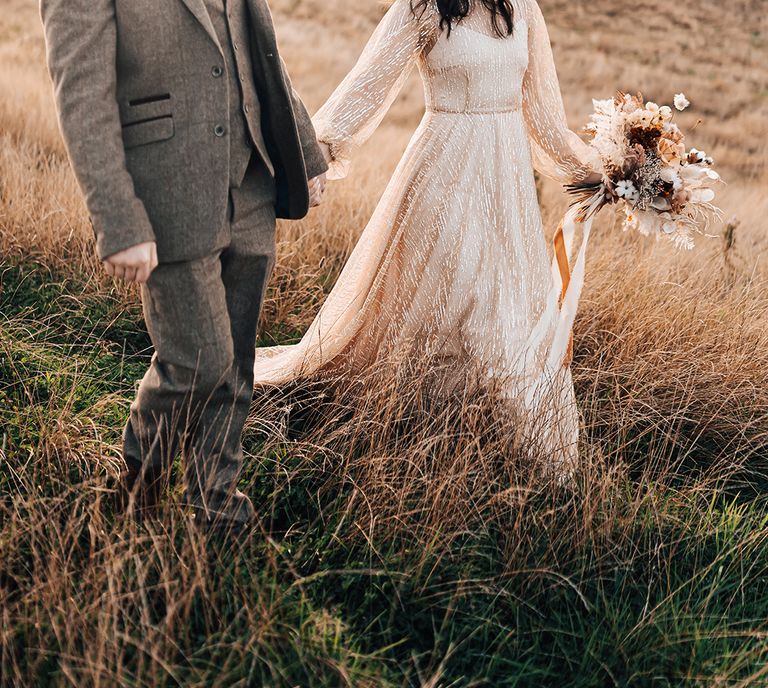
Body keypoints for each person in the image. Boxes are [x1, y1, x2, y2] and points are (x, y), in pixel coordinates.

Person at [251, 0, 603, 471]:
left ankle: (515, 445)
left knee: (509, 309)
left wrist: (609, 172)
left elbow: (544, 117)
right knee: (454, 294)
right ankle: (413, 422)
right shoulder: (421, 8)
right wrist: (312, 157)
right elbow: (367, 87)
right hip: (444, 172)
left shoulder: (523, 9)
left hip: (507, 184)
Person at [40, 0, 328, 532]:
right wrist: (119, 222)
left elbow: (260, 50)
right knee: (198, 360)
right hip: (166, 193)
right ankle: (134, 492)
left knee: (236, 362)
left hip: (252, 182)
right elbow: (82, 96)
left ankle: (214, 505)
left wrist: (305, 152)